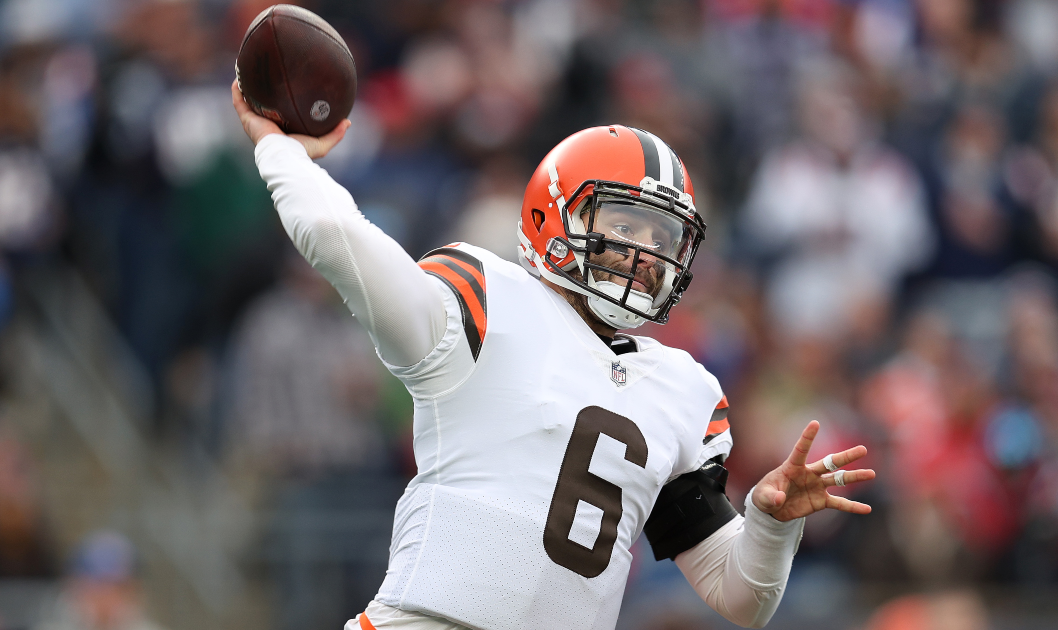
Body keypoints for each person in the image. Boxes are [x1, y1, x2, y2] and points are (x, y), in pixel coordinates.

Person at [232, 81, 876, 630]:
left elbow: (740, 598)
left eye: (662, 238)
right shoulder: (484, 297)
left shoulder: (684, 389)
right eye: (626, 227)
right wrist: (281, 149)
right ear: (557, 216)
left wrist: (768, 524)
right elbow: (333, 234)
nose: (645, 255)